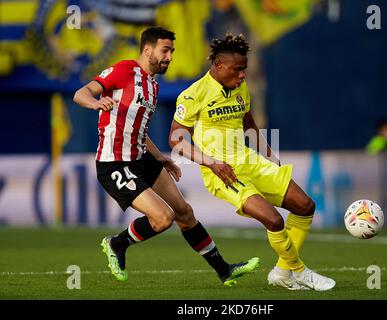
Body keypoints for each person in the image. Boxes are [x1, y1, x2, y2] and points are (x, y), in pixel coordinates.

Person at [72, 26, 259, 286]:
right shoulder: (124, 70)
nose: (170, 56)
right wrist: (94, 103)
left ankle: (224, 269)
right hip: (114, 163)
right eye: (165, 50)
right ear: (147, 50)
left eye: (172, 50)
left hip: (142, 159)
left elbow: (138, 130)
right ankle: (116, 244)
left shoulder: (152, 86)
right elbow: (81, 93)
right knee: (162, 218)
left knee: (184, 211)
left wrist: (160, 156)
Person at [169, 32, 336, 291]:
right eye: (237, 70)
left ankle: (281, 272)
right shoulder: (193, 95)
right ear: (219, 65)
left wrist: (270, 157)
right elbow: (177, 140)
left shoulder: (240, 88)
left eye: (244, 70)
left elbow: (249, 126)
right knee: (274, 220)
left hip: (251, 162)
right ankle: (300, 272)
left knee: (305, 205)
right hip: (223, 173)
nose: (242, 75)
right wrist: (211, 163)